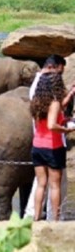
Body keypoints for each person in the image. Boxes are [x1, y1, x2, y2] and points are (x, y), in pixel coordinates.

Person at [25, 55, 75, 220]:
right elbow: (52, 125)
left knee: (41, 184)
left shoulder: (37, 101)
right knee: (55, 186)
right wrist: (66, 130)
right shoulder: (53, 102)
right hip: (53, 148)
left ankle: (36, 217)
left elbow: (52, 115)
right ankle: (54, 219)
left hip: (37, 147)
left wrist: (70, 95)